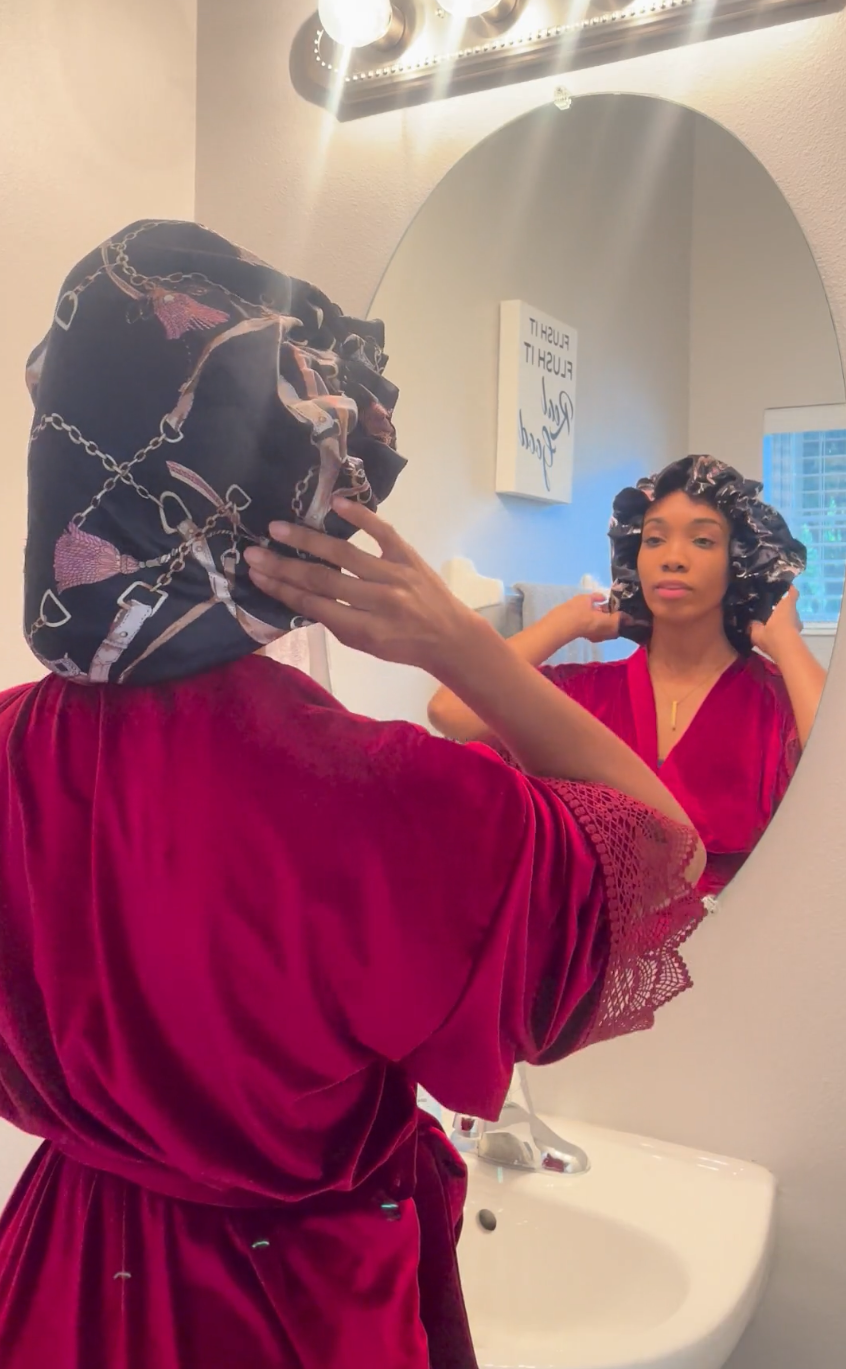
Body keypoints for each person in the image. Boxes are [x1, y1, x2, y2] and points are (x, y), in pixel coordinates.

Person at [0, 221, 706, 1369]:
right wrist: (462, 647)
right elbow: (665, 856)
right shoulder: (380, 798)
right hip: (291, 1312)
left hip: (59, 1276)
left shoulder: (9, 750)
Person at [431, 455, 827, 899]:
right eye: (654, 540)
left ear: (738, 560)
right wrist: (561, 625)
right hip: (591, 939)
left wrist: (786, 642)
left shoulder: (776, 704)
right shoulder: (582, 695)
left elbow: (837, 774)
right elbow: (450, 710)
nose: (672, 558)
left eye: (702, 540)